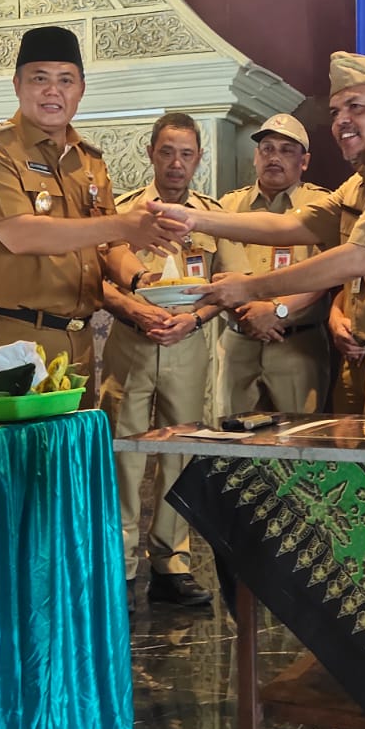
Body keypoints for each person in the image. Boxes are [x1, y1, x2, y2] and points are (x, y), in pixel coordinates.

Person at [151, 52, 365, 420]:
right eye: (335, 112)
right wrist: (192, 218)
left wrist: (250, 288)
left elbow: (360, 257)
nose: (342, 121)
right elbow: (292, 225)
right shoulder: (363, 181)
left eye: (356, 107)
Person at [0, 25, 176, 404]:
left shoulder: (88, 160)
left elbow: (108, 247)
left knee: (68, 459)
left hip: (78, 342)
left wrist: (144, 280)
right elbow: (20, 235)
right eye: (39, 79)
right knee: (13, 461)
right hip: (12, 339)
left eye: (65, 80)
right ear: (17, 85)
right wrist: (122, 222)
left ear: (81, 89)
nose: (52, 91)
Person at [103, 113, 247, 608]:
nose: (176, 163)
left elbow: (229, 286)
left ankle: (171, 565)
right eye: (167, 152)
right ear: (151, 153)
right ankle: (118, 565)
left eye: (186, 154)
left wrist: (197, 319)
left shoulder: (211, 217)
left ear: (199, 160)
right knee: (122, 454)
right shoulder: (124, 213)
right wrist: (132, 307)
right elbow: (98, 277)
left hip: (187, 346)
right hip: (130, 346)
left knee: (180, 455)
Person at [218, 113, 332, 414]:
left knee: (300, 443)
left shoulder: (322, 206)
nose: (274, 157)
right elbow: (217, 269)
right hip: (238, 341)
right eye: (267, 148)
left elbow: (327, 273)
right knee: (233, 443)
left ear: (304, 161)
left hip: (296, 345)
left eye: (286, 150)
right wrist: (248, 316)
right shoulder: (228, 207)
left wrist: (277, 310)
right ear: (256, 156)